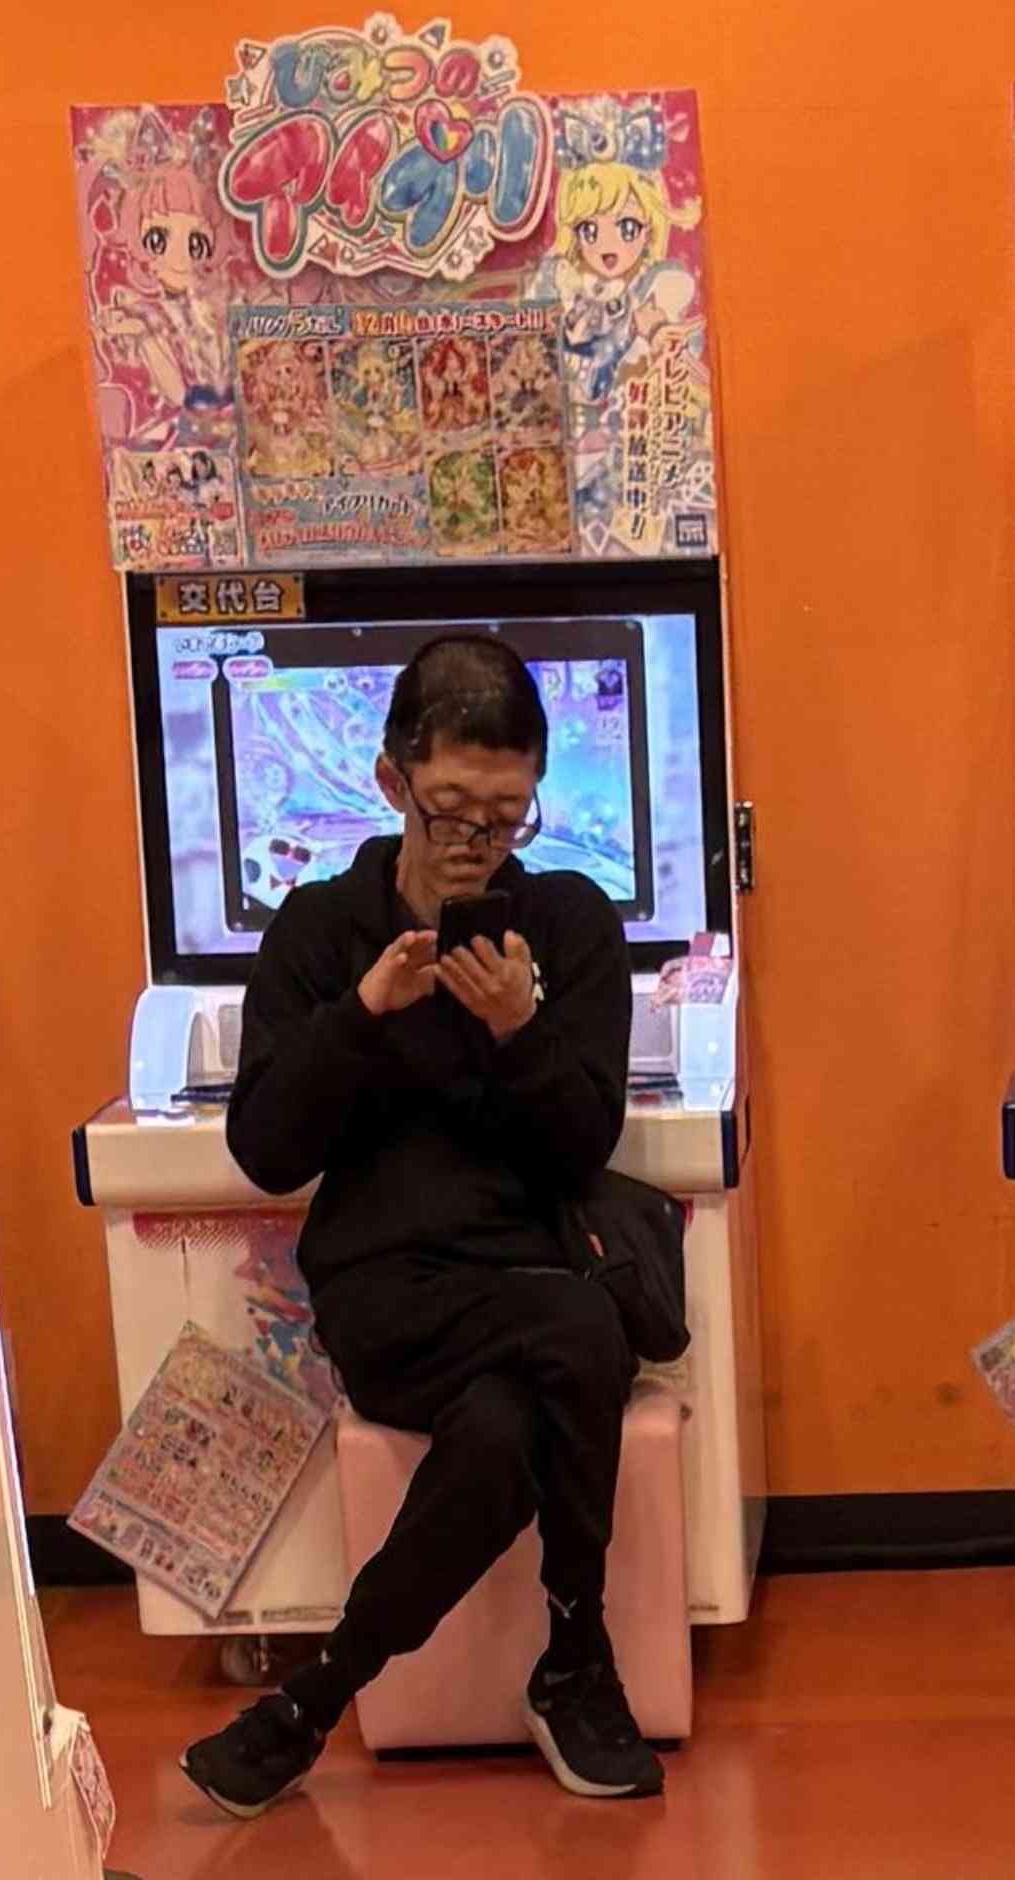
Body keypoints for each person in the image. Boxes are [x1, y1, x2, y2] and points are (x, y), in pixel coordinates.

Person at [181, 634, 663, 1815]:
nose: (474, 838)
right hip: (387, 1292)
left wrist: (518, 1031)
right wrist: (360, 1014)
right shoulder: (318, 930)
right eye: (449, 807)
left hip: (529, 1276)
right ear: (393, 778)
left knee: (502, 1430)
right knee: (584, 1335)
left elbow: (582, 1140)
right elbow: (267, 1150)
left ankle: (309, 1701)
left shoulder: (568, 922)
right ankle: (576, 1655)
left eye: (504, 815)